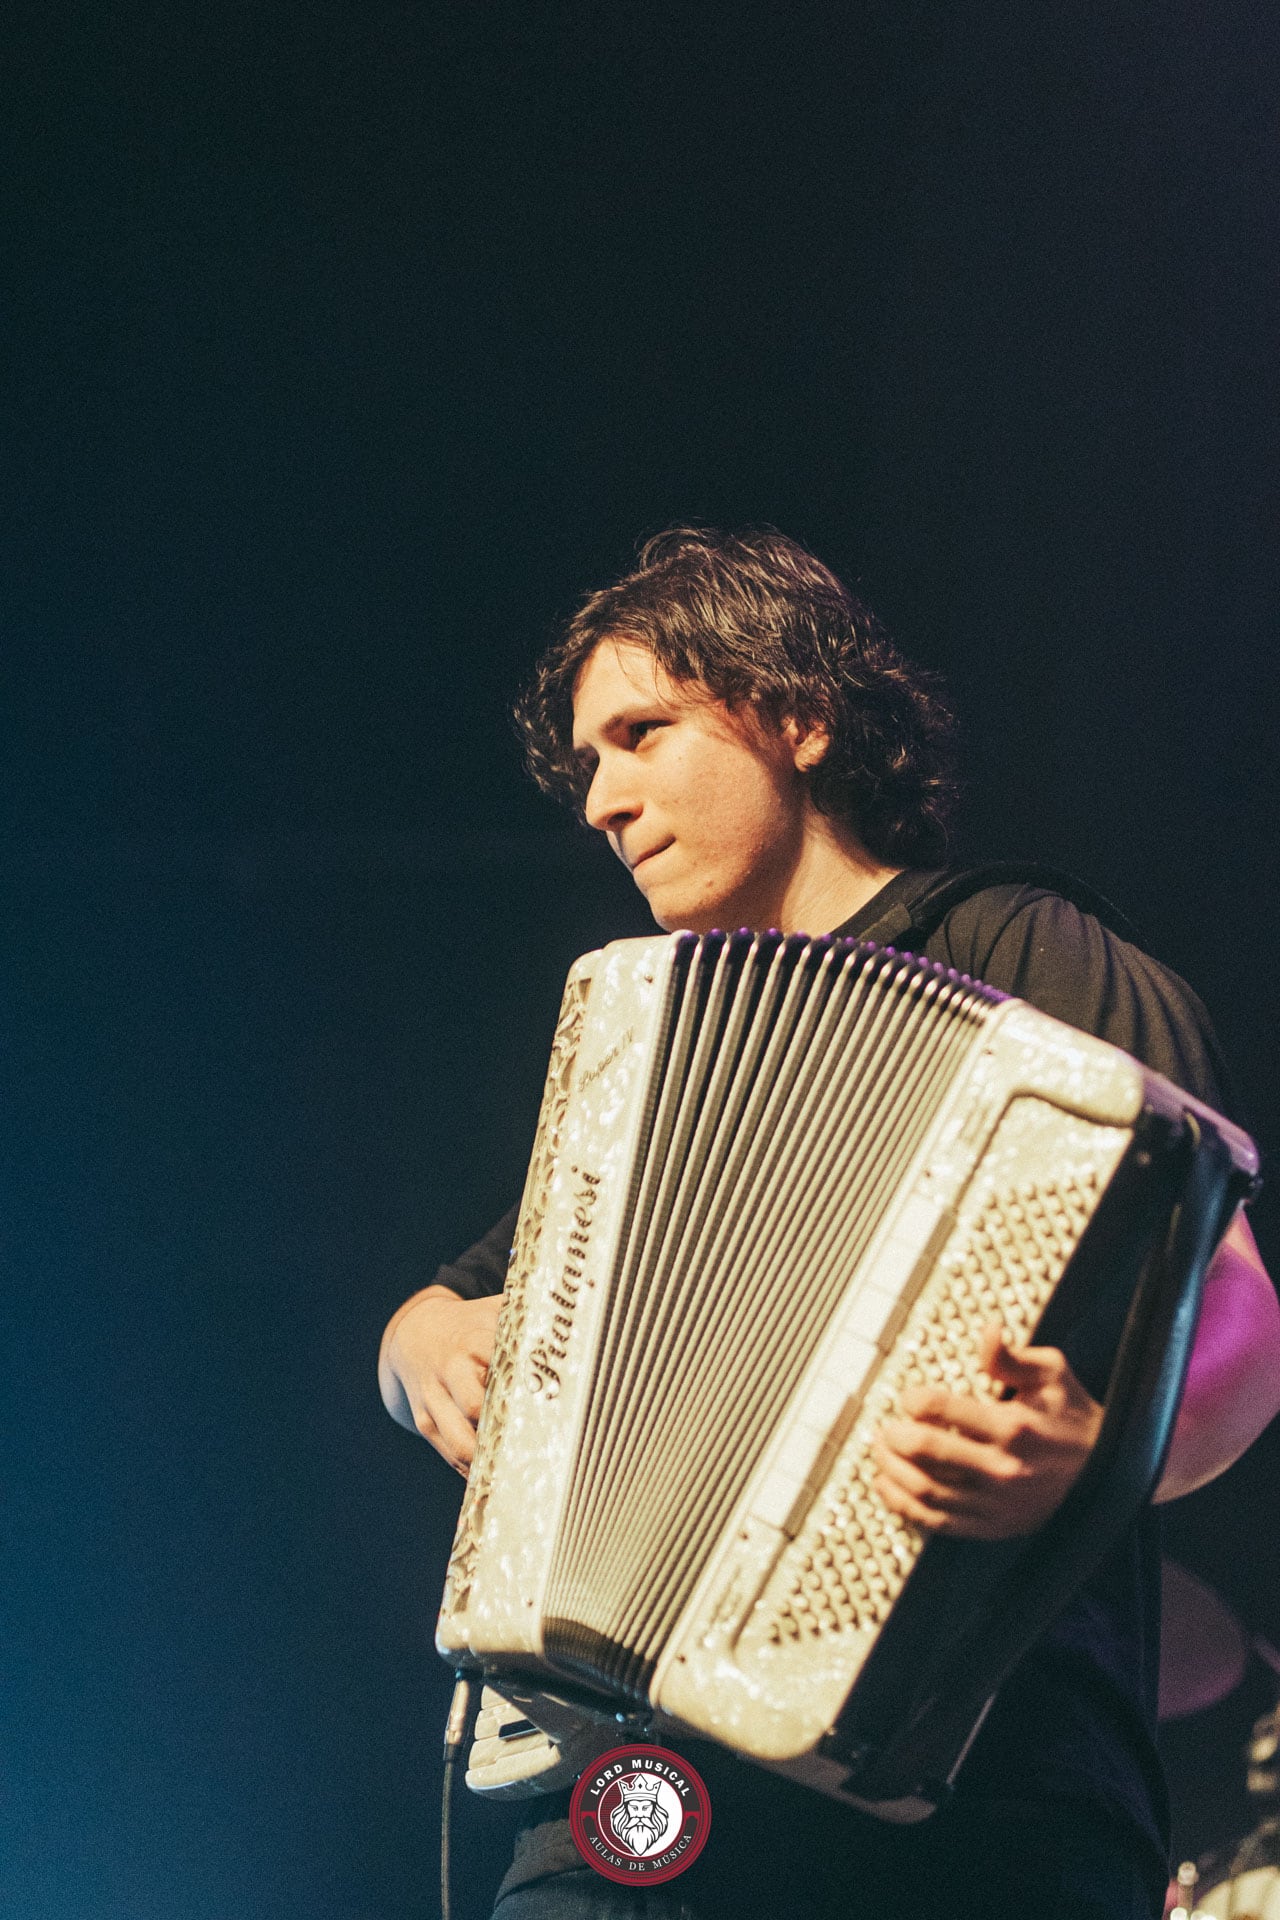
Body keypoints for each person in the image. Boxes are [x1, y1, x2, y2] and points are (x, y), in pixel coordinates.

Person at [379, 527, 1280, 1919]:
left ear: (797, 718)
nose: (603, 800)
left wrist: (1102, 1454)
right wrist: (421, 1343)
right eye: (589, 763)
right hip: (637, 1790)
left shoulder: (1021, 948)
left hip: (980, 1794)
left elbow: (1231, 1303)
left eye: (642, 733)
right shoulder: (659, 1051)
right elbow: (457, 1302)